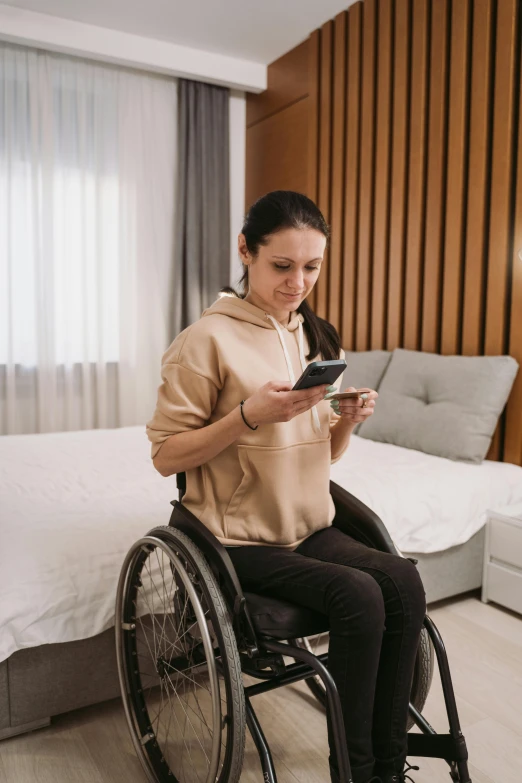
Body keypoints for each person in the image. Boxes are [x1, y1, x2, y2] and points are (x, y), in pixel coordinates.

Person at [146, 190, 426, 783]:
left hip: (309, 524)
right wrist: (247, 416)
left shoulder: (316, 338)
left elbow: (323, 453)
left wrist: (345, 422)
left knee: (401, 577)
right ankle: (358, 771)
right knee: (360, 595)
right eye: (282, 265)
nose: (298, 282)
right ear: (245, 251)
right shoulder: (206, 341)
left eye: (312, 266)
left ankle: (388, 764)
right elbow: (166, 456)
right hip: (237, 539)